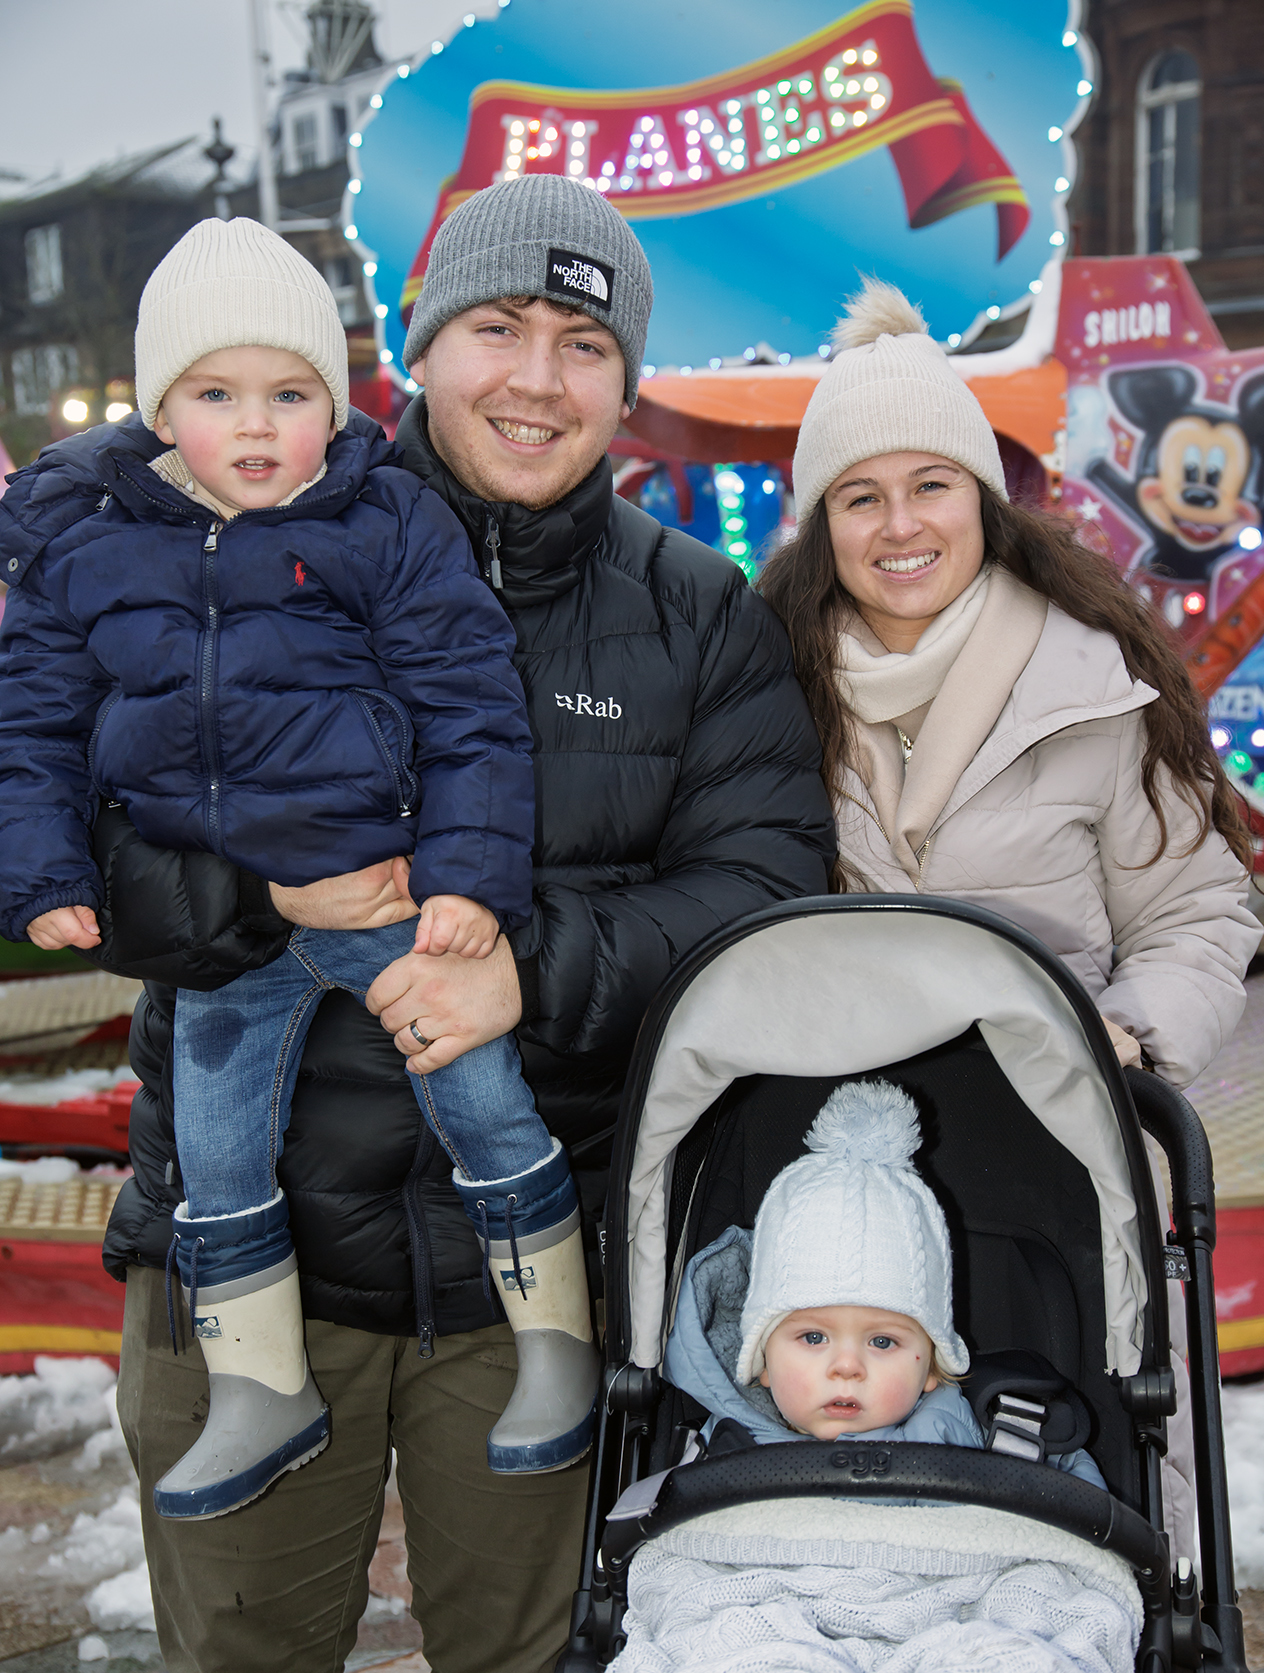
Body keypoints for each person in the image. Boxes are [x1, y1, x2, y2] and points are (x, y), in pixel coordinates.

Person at [18, 174, 835, 1673]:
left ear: (628, 381)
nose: (537, 378)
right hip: (245, 1250)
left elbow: (766, 896)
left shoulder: (697, 615)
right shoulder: (188, 540)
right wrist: (261, 896)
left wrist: (524, 973)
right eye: (499, 327)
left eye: (584, 343)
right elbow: (55, 822)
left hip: (526, 1279)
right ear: (417, 340)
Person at [0, 214, 607, 1520]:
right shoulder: (89, 540)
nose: (259, 424)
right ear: (164, 408)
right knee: (217, 1149)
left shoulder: (375, 520)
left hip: (380, 885)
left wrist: (470, 882)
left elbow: (469, 704)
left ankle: (556, 1342)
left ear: (335, 406)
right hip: (220, 921)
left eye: (292, 394)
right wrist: (45, 873)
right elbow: (34, 724)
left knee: (482, 1094)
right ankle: (257, 1386)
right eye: (218, 394)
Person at [757, 275, 1262, 1561]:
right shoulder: (761, 687)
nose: (899, 524)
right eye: (860, 495)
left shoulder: (1095, 683)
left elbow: (1201, 908)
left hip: (1065, 1153)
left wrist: (1132, 1038)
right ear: (822, 522)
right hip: (832, 1180)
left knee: (1092, 1481)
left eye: (931, 483)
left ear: (983, 498)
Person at [609, 1080, 1139, 1673]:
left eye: (883, 1341)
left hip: (959, 1612)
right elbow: (680, 1588)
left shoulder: (1004, 1437)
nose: (846, 1365)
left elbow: (1077, 1559)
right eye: (812, 1338)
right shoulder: (717, 1451)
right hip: (773, 1613)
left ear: (934, 1367)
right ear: (759, 1360)